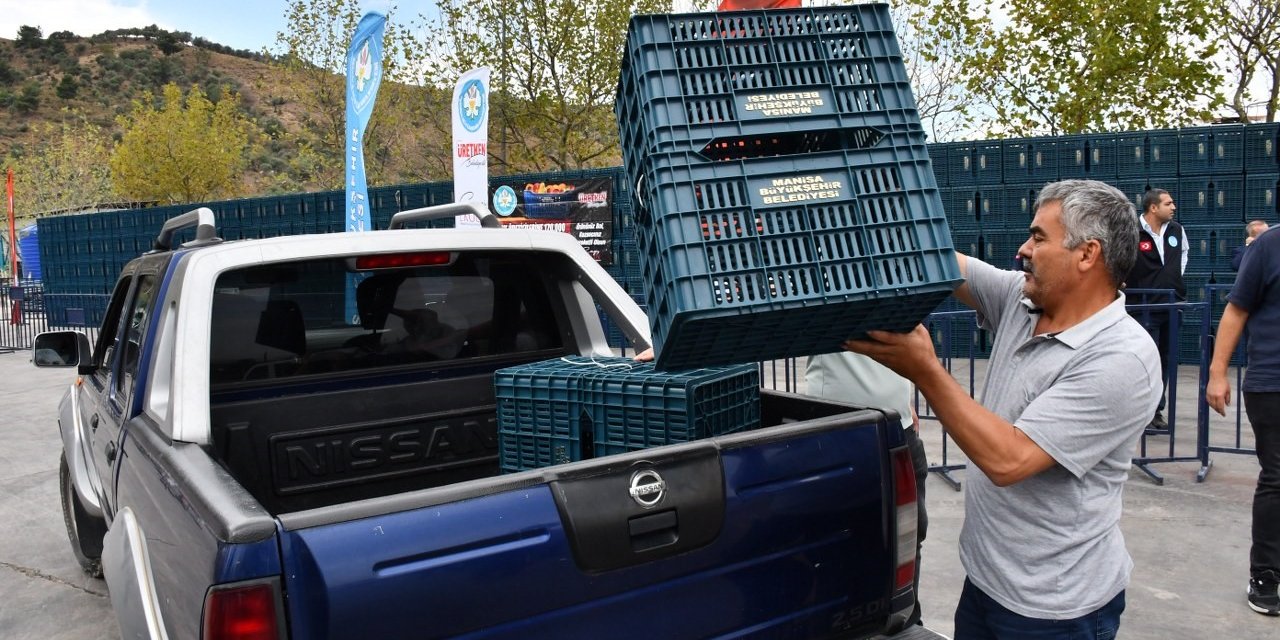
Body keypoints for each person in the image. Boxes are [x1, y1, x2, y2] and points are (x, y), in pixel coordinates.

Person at [845, 179, 1161, 638]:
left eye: (1038, 237)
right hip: (986, 583)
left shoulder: (1121, 359)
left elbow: (1009, 459)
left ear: (1087, 254)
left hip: (1054, 609)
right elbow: (939, 260)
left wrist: (927, 371)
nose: (1023, 249)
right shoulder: (1023, 300)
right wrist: (853, 207)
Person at [806, 352, 928, 628]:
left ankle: (906, 619)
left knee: (907, 538)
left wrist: (900, 398)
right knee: (841, 543)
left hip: (898, 424)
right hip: (838, 430)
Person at [1206, 224, 1280, 617]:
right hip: (1273, 383)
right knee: (1277, 478)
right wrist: (1218, 372)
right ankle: (1266, 574)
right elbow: (1236, 309)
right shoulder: (1269, 245)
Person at [1124, 187, 1188, 433]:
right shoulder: (1132, 232)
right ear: (1153, 207)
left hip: (1171, 304)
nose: (1173, 207)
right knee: (1142, 361)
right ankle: (1135, 412)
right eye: (1168, 203)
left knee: (1165, 360)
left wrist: (1172, 280)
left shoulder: (1177, 230)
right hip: (1141, 306)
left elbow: (1183, 255)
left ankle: (1155, 412)